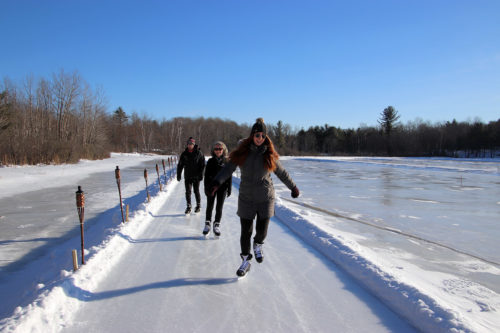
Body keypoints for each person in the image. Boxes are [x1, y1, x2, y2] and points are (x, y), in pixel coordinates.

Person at [211, 118, 300, 277]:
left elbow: (282, 173)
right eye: (257, 135)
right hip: (246, 197)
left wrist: (293, 187)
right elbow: (228, 168)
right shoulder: (242, 153)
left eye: (262, 136)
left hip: (265, 198)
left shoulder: (269, 155)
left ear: (265, 137)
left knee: (262, 230)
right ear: (252, 135)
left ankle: (258, 244)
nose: (259, 138)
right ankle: (245, 261)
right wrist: (217, 182)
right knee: (246, 231)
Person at [203, 141, 232, 236]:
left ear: (223, 150)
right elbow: (206, 176)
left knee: (219, 207)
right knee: (210, 206)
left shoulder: (227, 162)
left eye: (220, 149)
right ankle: (207, 224)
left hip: (222, 188)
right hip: (211, 187)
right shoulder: (210, 161)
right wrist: (206, 188)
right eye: (216, 149)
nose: (218, 151)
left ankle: (216, 224)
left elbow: (229, 176)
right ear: (213, 150)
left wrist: (229, 188)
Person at [177, 137, 205, 214]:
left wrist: (201, 174)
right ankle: (189, 206)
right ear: (187, 144)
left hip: (196, 176)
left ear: (194, 144)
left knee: (196, 191)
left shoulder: (199, 153)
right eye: (189, 144)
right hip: (188, 176)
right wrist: (179, 174)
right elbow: (180, 165)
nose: (190, 145)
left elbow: (202, 165)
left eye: (191, 144)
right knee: (188, 192)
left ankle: (198, 206)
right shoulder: (184, 154)